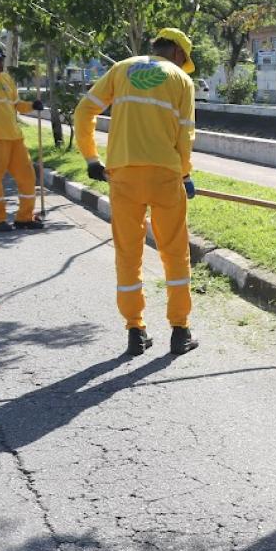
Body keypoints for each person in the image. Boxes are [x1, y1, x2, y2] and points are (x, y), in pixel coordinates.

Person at [75, 28, 199, 357]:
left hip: (123, 174)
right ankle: (180, 330)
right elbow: (185, 135)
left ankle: (135, 330)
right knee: (174, 253)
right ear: (177, 54)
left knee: (128, 254)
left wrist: (91, 158)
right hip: (164, 175)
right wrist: (185, 174)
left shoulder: (121, 68)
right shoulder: (181, 80)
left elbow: (83, 111)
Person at [0, 45, 45, 231]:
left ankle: (24, 217)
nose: (1, 63)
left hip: (15, 137)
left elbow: (17, 105)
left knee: (28, 177)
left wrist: (32, 105)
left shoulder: (7, 79)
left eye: (2, 60)